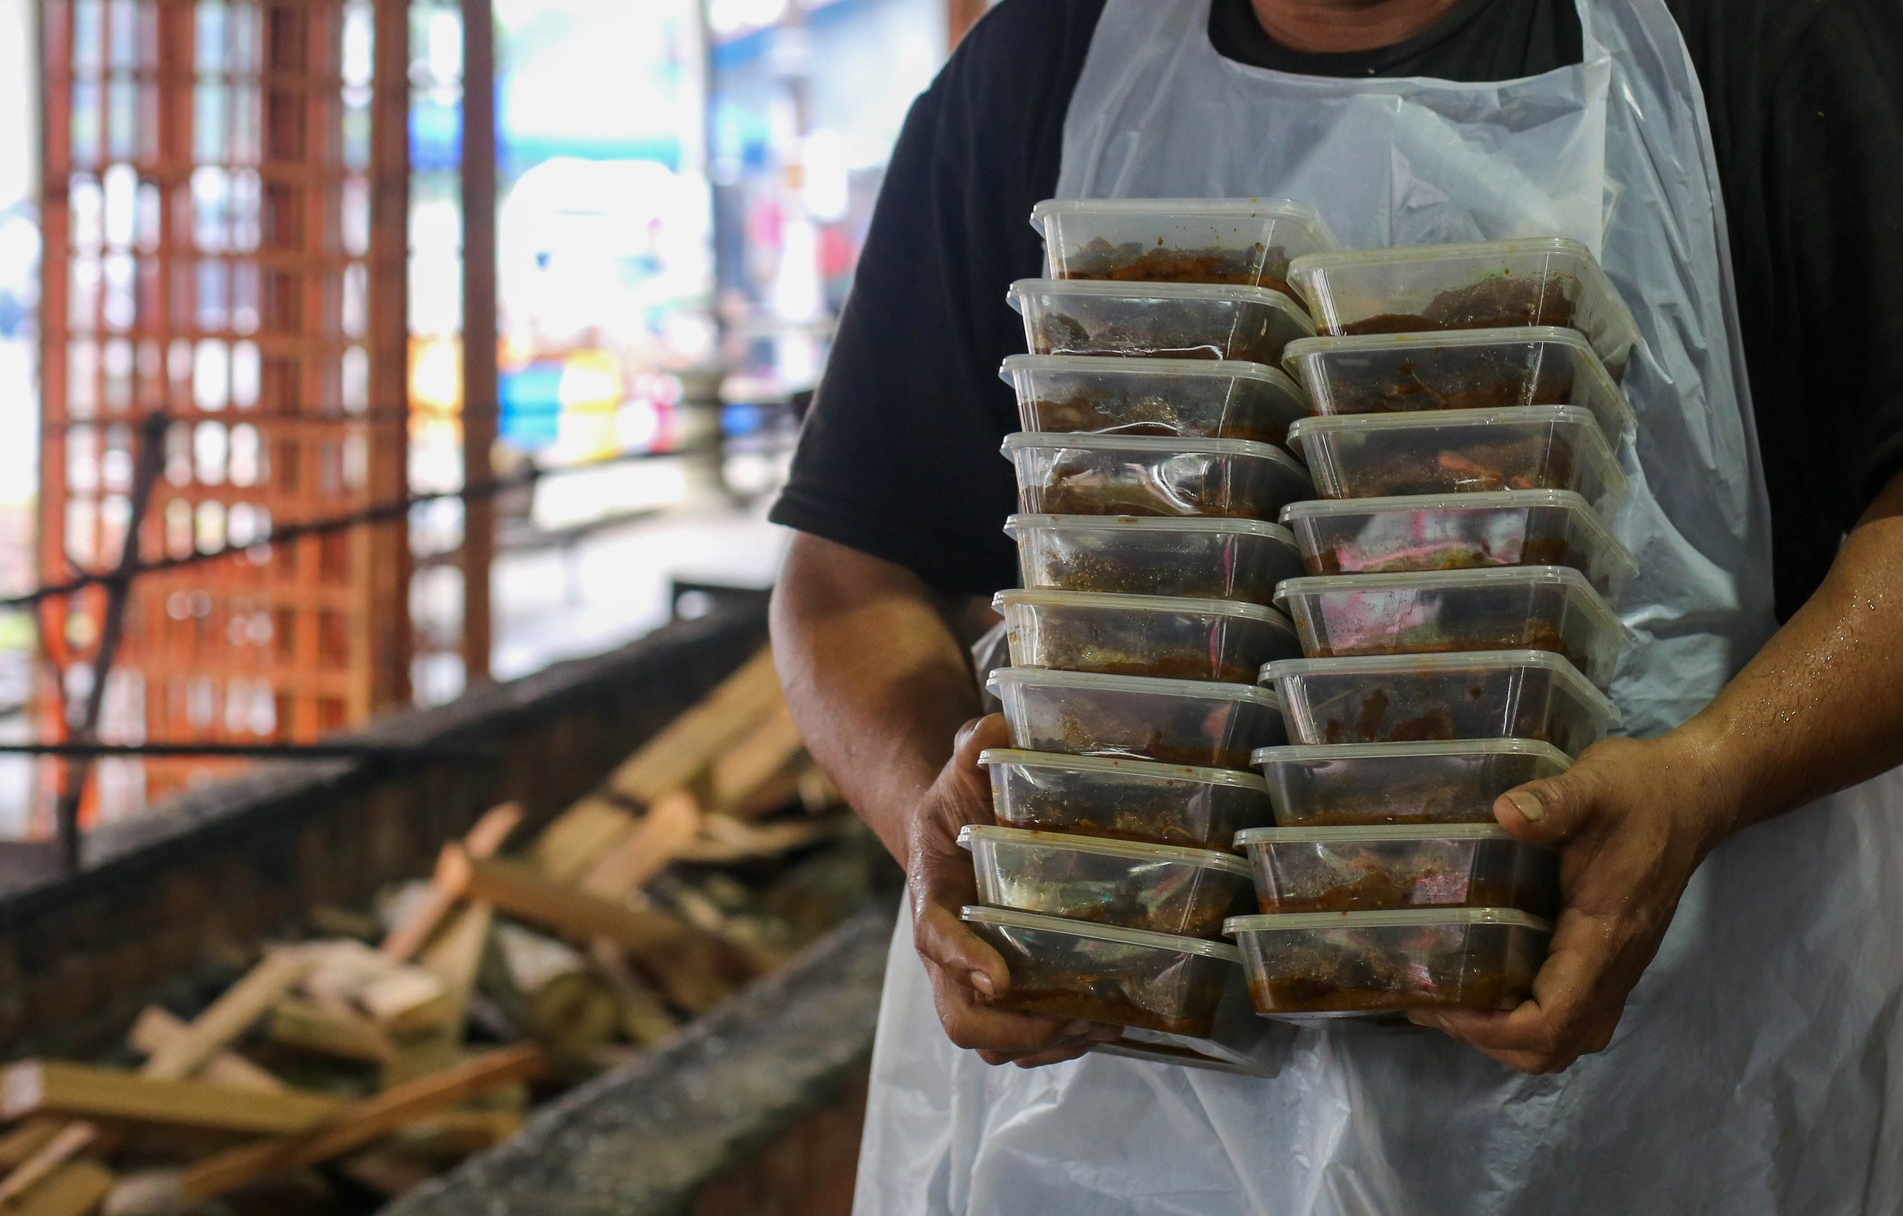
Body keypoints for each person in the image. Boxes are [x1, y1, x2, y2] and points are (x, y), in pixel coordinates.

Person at [768, 0, 1903, 1210]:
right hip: (1124, 1147)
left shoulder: (1768, 41)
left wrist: (1708, 776)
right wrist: (935, 826)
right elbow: (847, 573)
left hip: (1646, 1118)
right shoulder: (1046, 64)